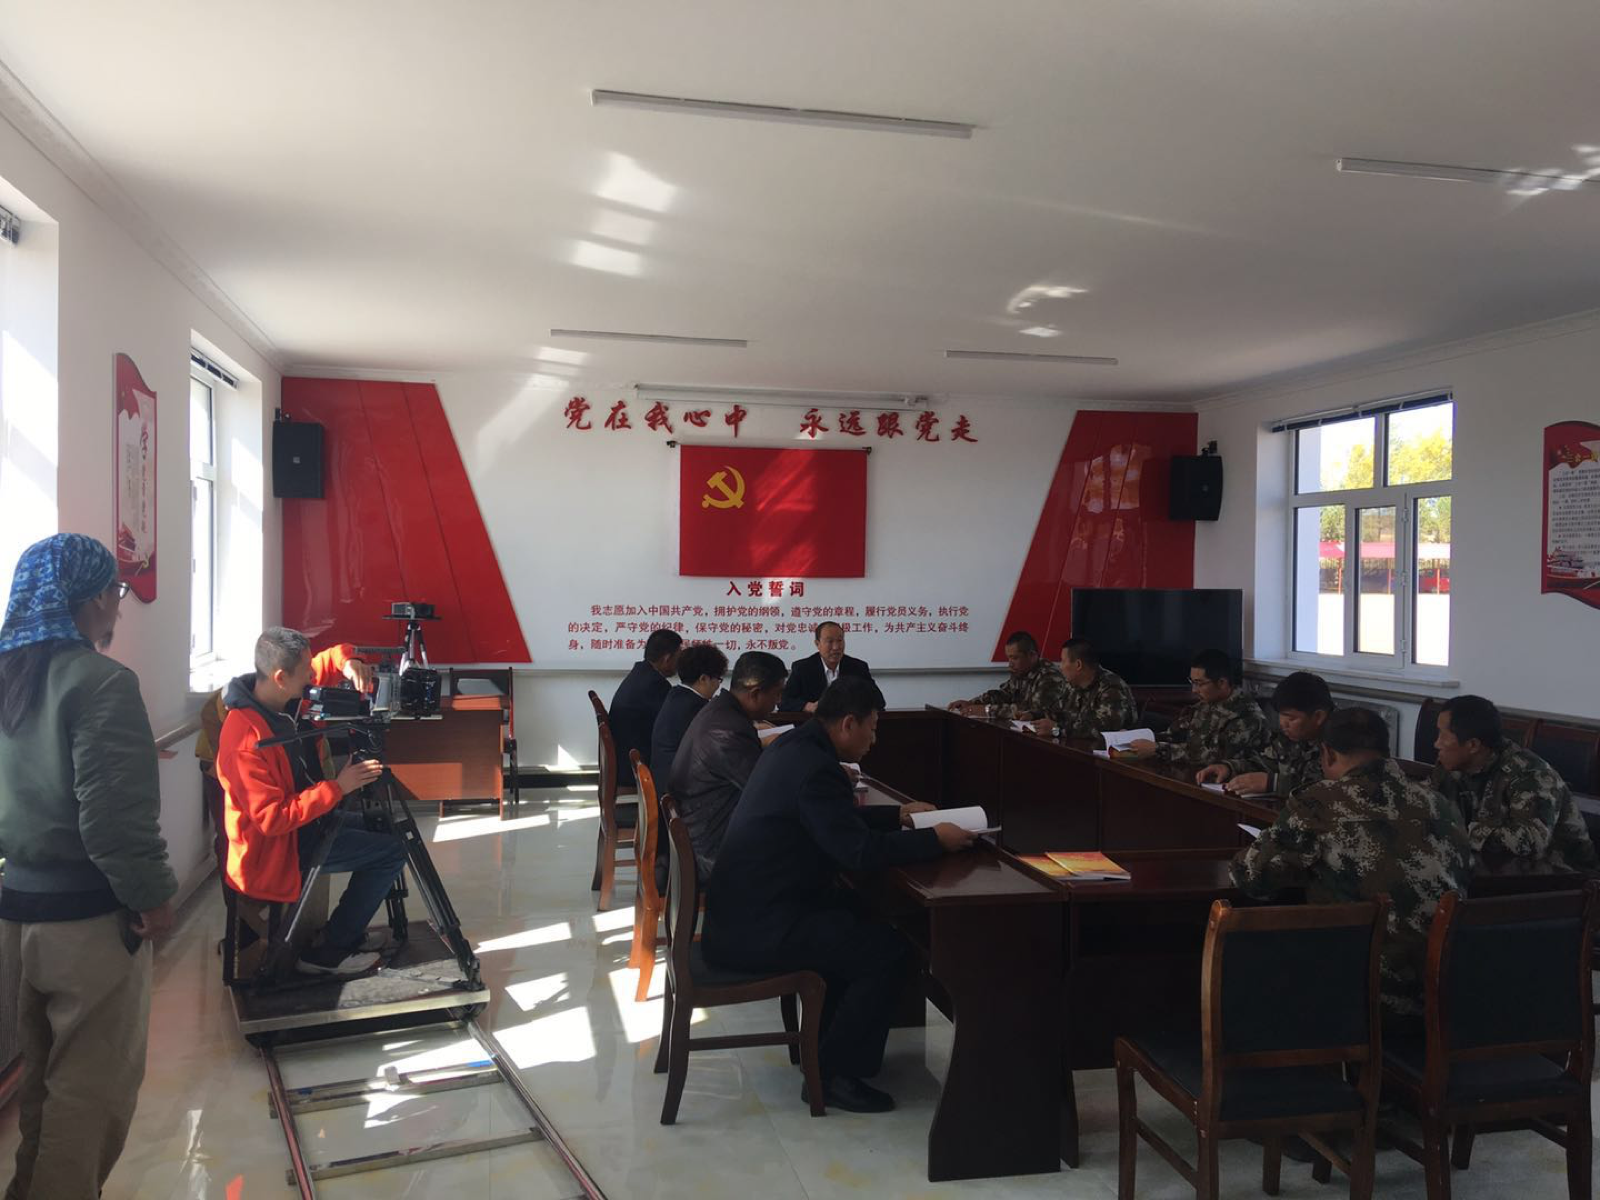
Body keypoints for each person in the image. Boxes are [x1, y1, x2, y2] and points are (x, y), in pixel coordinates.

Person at [703, 677, 976, 1112]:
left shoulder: (796, 747)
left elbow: (832, 820)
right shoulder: (817, 768)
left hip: (746, 913)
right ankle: (833, 1075)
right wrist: (934, 840)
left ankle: (824, 1053)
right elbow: (857, 852)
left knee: (863, 918)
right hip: (760, 928)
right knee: (887, 953)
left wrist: (898, 817)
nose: (875, 739)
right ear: (848, 723)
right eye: (873, 727)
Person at [0, 533, 177, 1199]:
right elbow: (114, 821)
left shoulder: (9, 676)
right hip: (88, 925)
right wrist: (154, 896)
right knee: (90, 1091)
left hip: (16, 913)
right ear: (93, 596)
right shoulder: (101, 682)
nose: (119, 607)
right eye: (117, 592)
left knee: (42, 1082)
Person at [1230, 707, 1472, 1026]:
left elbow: (1251, 877)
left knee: (1243, 953)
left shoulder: (1320, 801)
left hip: (1362, 991)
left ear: (1327, 753)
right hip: (1447, 987)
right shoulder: (1439, 804)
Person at [216, 627, 402, 976]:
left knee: (387, 828)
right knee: (391, 852)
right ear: (281, 677)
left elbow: (331, 657)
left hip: (306, 822)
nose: (312, 677)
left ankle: (342, 932)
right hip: (278, 846)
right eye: (306, 672)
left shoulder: (281, 699)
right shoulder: (244, 738)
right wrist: (338, 788)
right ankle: (328, 953)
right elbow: (272, 819)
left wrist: (350, 662)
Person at [1430, 695, 1596, 872]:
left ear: (1473, 745)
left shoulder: (1530, 774)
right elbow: (1429, 805)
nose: (1436, 744)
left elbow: (1530, 841)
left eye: (1443, 735)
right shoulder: (1452, 764)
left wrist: (1456, 832)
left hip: (1561, 876)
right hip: (1490, 866)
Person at [668, 650, 787, 881]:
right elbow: (768, 792)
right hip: (711, 852)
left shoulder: (721, 711)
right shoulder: (728, 730)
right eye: (777, 694)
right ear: (755, 693)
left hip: (702, 833)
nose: (778, 702)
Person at [1197, 670, 1334, 797]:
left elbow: (1331, 790)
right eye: (1281, 715)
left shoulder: (1340, 740)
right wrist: (1229, 768)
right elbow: (1265, 763)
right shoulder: (1290, 735)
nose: (1283, 724)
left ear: (1318, 717)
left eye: (1291, 718)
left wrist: (1274, 784)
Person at [1127, 648, 1269, 765]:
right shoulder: (1203, 705)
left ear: (1222, 683)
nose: (1194, 690)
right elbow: (1173, 734)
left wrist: (1157, 749)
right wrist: (1132, 738)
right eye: (1192, 682)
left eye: (1200, 683)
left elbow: (1216, 757)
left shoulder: (1246, 716)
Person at [648, 642, 729, 792]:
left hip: (665, 777)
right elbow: (722, 741)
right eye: (718, 679)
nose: (718, 686)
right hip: (677, 788)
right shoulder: (694, 707)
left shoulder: (677, 695)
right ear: (703, 679)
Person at [608, 629, 683, 788]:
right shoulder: (655, 684)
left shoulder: (641, 674)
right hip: (636, 766)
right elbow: (673, 726)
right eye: (678, 657)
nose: (680, 664)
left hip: (626, 759)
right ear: (667, 659)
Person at [1030, 637, 1138, 738]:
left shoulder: (1111, 687)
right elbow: (1058, 712)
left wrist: (1057, 730)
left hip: (1110, 749)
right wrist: (1033, 715)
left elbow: (1102, 728)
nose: (1060, 667)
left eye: (1063, 661)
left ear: (1078, 665)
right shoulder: (1072, 684)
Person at [949, 630, 1067, 720]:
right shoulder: (1020, 672)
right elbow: (1004, 694)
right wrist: (972, 703)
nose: (1010, 664)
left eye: (1015, 658)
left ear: (1032, 655)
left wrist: (987, 710)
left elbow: (1031, 710)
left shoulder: (1049, 676)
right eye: (1008, 658)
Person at [780, 621, 884, 712]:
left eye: (840, 640)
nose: (836, 647)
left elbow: (879, 701)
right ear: (817, 644)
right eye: (830, 641)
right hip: (814, 724)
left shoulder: (858, 667)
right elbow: (783, 701)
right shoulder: (802, 668)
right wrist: (808, 706)